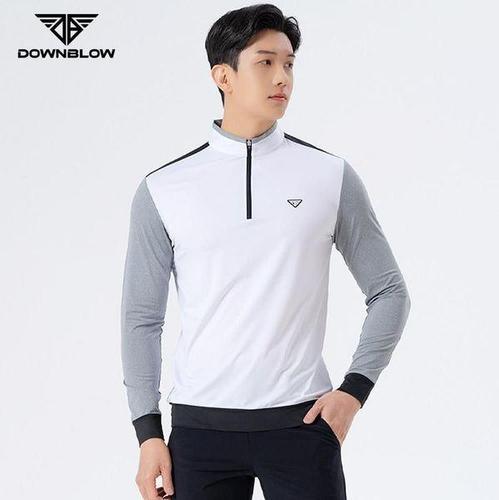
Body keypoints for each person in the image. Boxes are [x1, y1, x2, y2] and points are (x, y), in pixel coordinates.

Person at [120, 4, 411, 499]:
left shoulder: (329, 176)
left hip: (303, 424)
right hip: (199, 432)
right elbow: (141, 319)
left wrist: (353, 392)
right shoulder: (164, 188)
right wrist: (148, 433)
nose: (283, 78)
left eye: (289, 64)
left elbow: (389, 292)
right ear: (223, 76)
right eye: (266, 62)